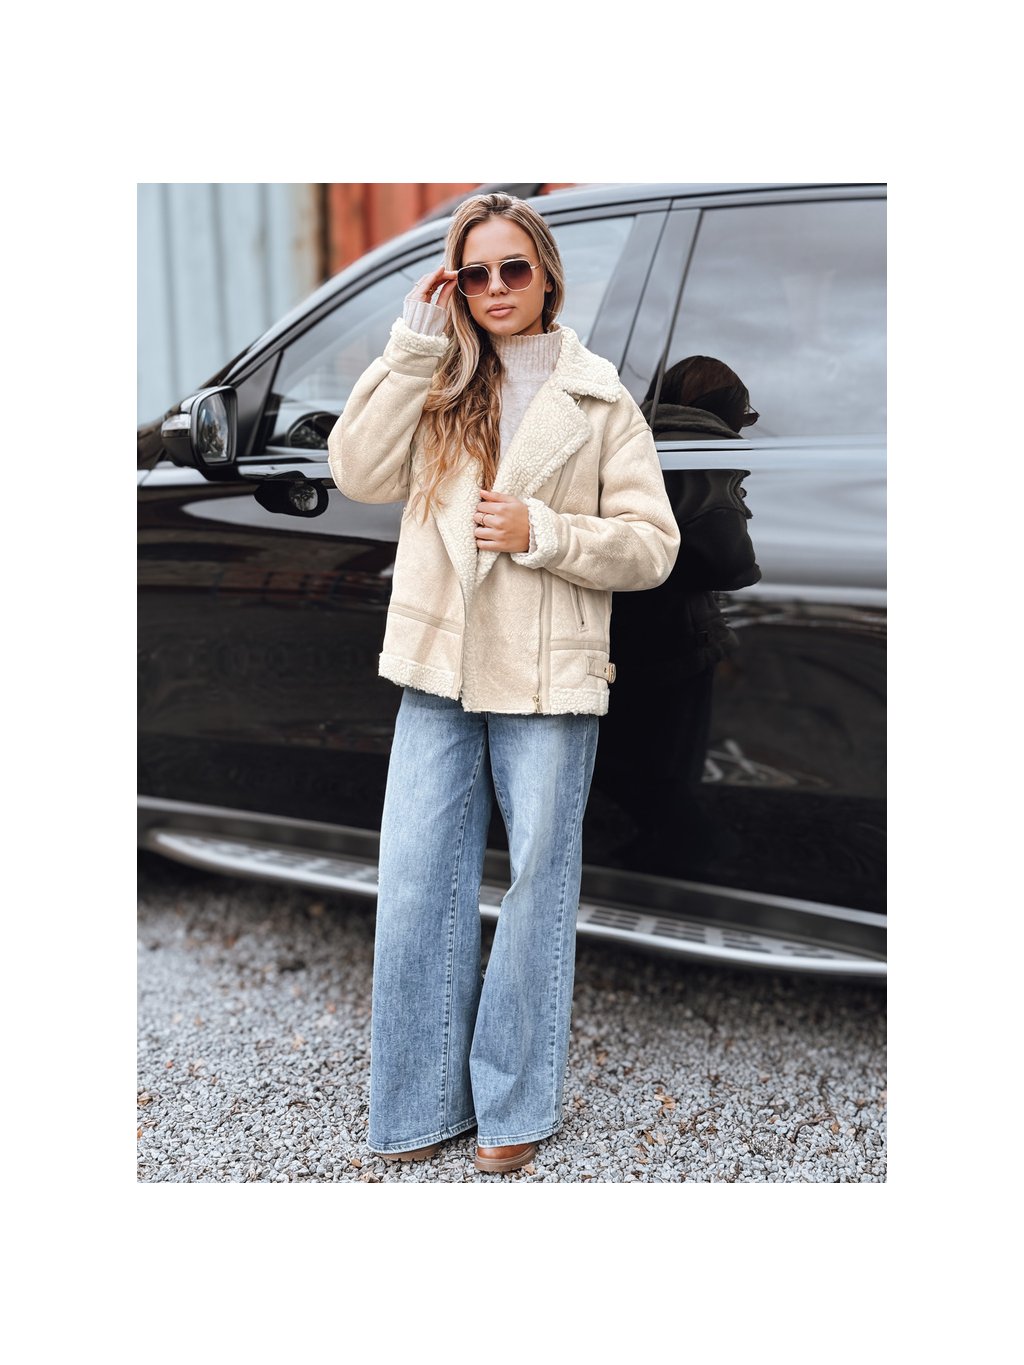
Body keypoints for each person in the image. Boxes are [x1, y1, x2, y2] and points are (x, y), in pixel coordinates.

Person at [327, 192, 680, 1175]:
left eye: (512, 268)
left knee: (533, 890)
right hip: (438, 668)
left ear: (546, 276)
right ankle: (419, 1104)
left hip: (547, 675)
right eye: (474, 273)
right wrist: (411, 341)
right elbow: (356, 471)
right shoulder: (436, 381)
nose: (494, 288)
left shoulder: (598, 398)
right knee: (414, 883)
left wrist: (543, 532)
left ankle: (514, 1104)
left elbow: (652, 546)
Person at [598, 355, 761, 874]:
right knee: (670, 767)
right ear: (727, 408)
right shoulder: (702, 448)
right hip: (677, 638)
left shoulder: (629, 436)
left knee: (624, 756)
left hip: (619, 627)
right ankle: (698, 853)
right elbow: (729, 561)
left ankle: (647, 850)